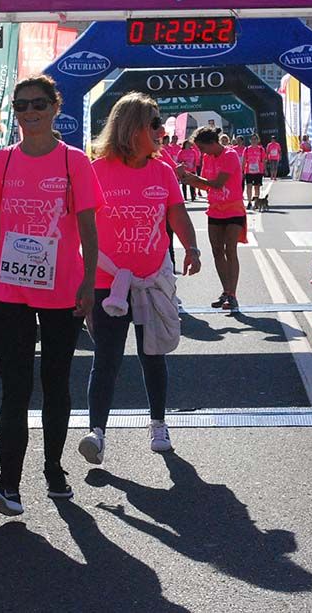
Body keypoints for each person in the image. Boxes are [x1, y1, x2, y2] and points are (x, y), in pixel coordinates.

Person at [0, 74, 101, 516]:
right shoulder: (1, 162)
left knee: (55, 383)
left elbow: (87, 228)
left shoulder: (74, 162)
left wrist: (88, 284)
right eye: (22, 106)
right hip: (8, 289)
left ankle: (53, 467)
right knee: (14, 388)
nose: (30, 112)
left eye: (39, 104)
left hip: (62, 288)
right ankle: (9, 485)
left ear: (55, 107)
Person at [77, 92, 201, 465]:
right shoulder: (96, 170)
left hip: (152, 281)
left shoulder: (162, 170)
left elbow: (177, 215)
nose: (162, 130)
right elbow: (79, 225)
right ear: (132, 129)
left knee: (154, 355)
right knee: (107, 358)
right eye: (154, 124)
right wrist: (80, 280)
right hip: (107, 282)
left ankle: (158, 423)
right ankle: (96, 432)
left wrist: (191, 248)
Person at [180, 127, 245, 310]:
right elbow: (208, 185)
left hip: (233, 209)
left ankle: (232, 293)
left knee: (229, 250)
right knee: (217, 251)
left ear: (212, 143)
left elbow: (217, 183)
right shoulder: (208, 158)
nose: (201, 152)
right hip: (215, 209)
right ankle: (226, 291)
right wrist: (190, 180)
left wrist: (195, 179)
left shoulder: (230, 155)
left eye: (202, 147)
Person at [242, 133, 266, 210]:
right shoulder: (247, 149)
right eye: (252, 139)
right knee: (249, 186)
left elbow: (263, 160)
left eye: (255, 139)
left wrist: (264, 170)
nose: (254, 141)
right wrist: (242, 171)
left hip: (258, 171)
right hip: (249, 171)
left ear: (258, 140)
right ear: (250, 140)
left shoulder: (261, 149)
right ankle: (249, 202)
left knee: (257, 187)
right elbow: (244, 160)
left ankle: (257, 202)